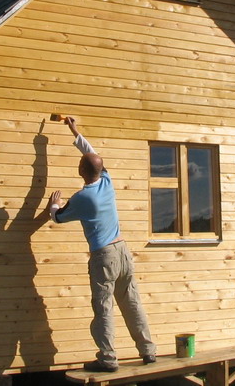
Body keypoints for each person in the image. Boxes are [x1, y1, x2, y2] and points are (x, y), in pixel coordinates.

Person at [48, 117, 157, 372]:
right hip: (123, 252)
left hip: (104, 256)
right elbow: (91, 153)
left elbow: (57, 217)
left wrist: (53, 203)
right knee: (132, 303)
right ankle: (148, 351)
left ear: (80, 172)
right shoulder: (107, 183)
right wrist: (74, 130)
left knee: (104, 307)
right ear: (100, 169)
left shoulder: (82, 198)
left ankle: (107, 360)